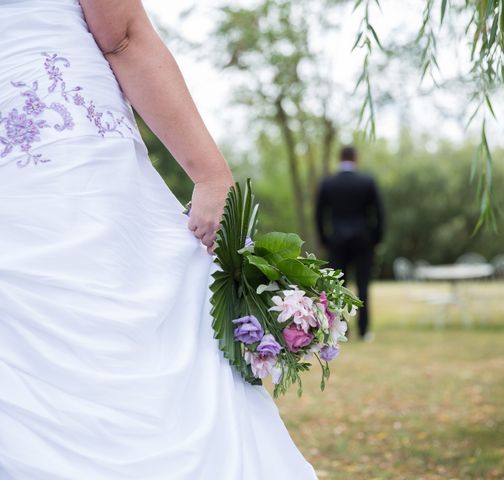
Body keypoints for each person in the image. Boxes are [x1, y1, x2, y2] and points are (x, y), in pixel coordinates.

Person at [0, 0, 316, 478]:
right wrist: (211, 173)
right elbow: (122, 37)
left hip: (65, 150)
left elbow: (121, 34)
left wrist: (212, 176)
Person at [315, 146, 384, 341]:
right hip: (363, 241)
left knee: (336, 287)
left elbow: (319, 215)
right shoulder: (367, 181)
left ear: (340, 158)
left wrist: (325, 240)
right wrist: (376, 239)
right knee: (363, 286)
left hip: (336, 241)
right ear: (356, 159)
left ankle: (339, 329)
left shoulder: (328, 183)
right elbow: (379, 213)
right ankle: (364, 330)